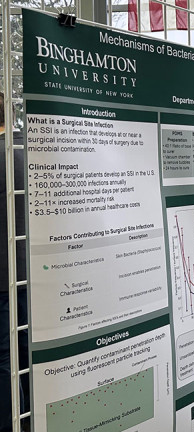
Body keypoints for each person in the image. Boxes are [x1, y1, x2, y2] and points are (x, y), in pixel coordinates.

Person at [0, 92, 28, 432]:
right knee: (27, 353)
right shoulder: (31, 148)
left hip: (4, 281)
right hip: (35, 276)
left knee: (5, 359)